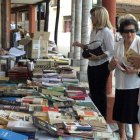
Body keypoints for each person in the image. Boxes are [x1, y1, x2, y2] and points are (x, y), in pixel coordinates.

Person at [73, 6, 114, 119]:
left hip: (102, 66)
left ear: (100, 17)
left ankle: (102, 118)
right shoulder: (94, 30)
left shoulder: (107, 32)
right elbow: (92, 46)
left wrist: (99, 57)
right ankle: (94, 116)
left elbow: (111, 51)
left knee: (100, 94)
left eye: (93, 16)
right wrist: (80, 45)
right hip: (91, 65)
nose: (91, 18)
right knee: (93, 92)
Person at [108, 18, 140, 140]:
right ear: (121, 32)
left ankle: (136, 138)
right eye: (126, 31)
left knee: (135, 115)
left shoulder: (139, 42)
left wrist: (136, 70)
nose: (129, 34)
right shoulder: (118, 45)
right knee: (120, 113)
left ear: (136, 31)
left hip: (135, 84)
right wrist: (112, 64)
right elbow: (110, 67)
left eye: (132, 31)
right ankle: (122, 136)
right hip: (121, 84)